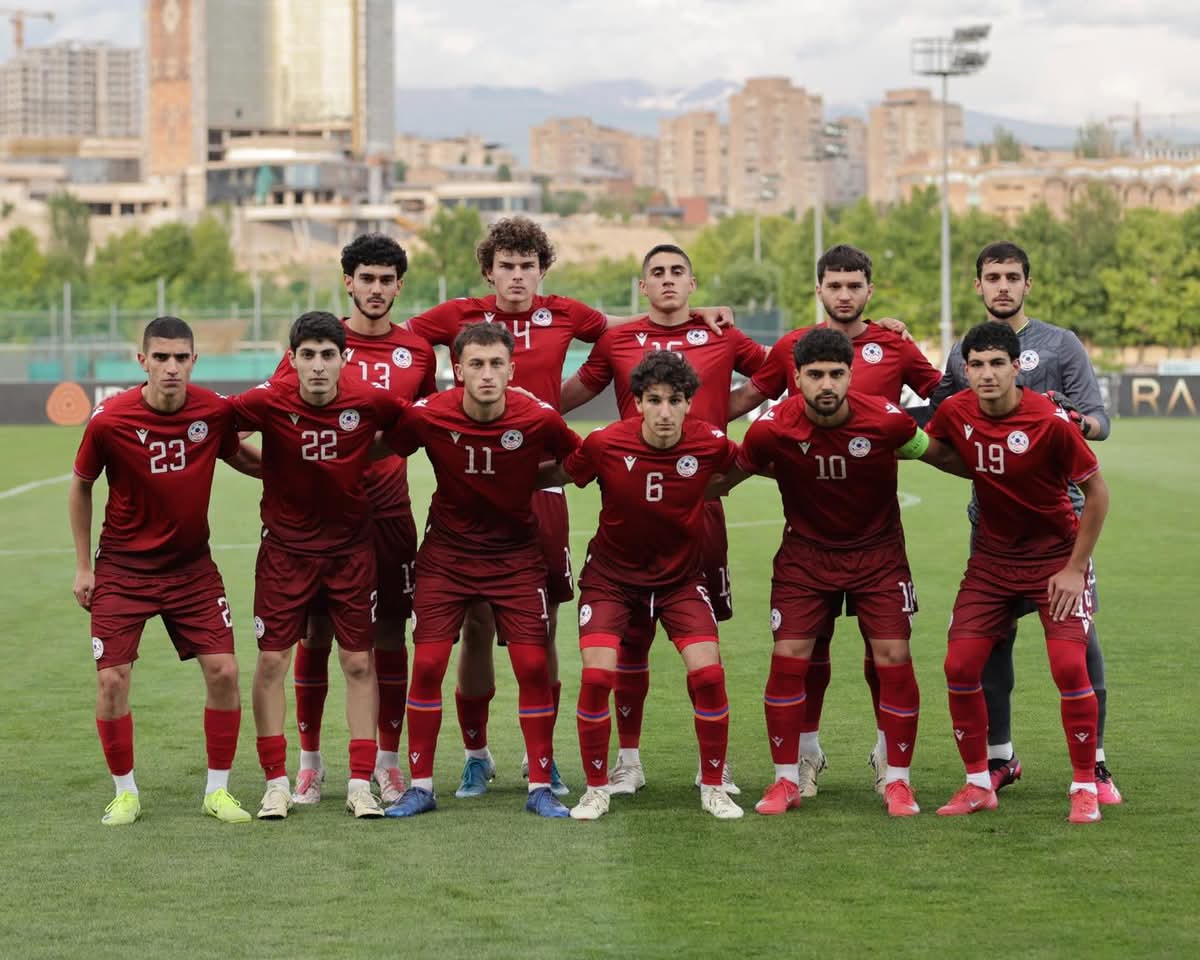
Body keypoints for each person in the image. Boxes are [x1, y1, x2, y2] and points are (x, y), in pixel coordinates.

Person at [404, 217, 731, 799]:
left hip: (541, 486)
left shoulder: (566, 315)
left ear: (542, 270)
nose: (517, 276)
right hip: (475, 485)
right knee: (475, 624)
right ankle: (476, 755)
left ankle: (543, 759)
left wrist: (692, 315)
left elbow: (630, 334)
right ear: (488, 271)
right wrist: (436, 396)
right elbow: (397, 340)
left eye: (527, 265)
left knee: (543, 624)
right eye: (506, 265)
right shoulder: (458, 316)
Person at [715, 327, 965, 817]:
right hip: (805, 558)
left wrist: (1005, 472)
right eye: (814, 375)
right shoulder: (771, 429)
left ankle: (898, 781)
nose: (826, 384)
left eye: (835, 374)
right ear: (796, 378)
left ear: (851, 375)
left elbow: (941, 455)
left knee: (893, 655)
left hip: (879, 556)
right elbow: (731, 474)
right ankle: (786, 779)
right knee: (789, 656)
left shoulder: (888, 421)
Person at [560, 243, 766, 795]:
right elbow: (571, 394)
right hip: (632, 495)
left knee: (704, 637)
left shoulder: (722, 334)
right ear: (642, 286)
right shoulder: (618, 340)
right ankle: (628, 761)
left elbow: (777, 371)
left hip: (699, 502)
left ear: (693, 283)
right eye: (658, 272)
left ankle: (712, 765)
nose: (668, 279)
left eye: (678, 271)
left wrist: (722, 411)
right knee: (629, 642)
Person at [930, 241, 1120, 804]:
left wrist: (1067, 421)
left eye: (1012, 277)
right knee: (990, 644)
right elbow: (944, 421)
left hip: (1062, 518)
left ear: (1027, 284)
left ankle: (1095, 765)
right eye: (993, 277)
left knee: (1079, 644)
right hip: (991, 521)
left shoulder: (1061, 343)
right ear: (978, 285)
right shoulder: (964, 350)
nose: (1003, 286)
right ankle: (999, 758)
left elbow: (1099, 420)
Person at [380, 322, 582, 819]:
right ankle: (421, 787)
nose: (487, 374)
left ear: (512, 370)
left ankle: (540, 785)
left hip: (515, 556)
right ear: (458, 370)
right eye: (476, 364)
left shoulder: (538, 417)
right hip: (446, 557)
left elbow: (579, 460)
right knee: (428, 664)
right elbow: (384, 446)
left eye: (496, 364)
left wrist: (527, 477)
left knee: (532, 665)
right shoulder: (429, 413)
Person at [69, 315, 261, 825]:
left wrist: (296, 473)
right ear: (143, 361)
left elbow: (239, 456)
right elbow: (81, 485)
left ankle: (217, 791)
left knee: (225, 671)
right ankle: (125, 793)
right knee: (113, 681)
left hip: (192, 570)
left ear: (194, 361)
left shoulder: (213, 411)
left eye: (180, 358)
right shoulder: (109, 420)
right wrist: (84, 567)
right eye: (161, 357)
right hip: (123, 571)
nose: (171, 367)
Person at [545, 351, 743, 821]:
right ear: (636, 403)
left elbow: (747, 465)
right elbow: (562, 473)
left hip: (680, 580)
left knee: (708, 675)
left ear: (689, 403)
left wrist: (711, 489)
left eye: (675, 400)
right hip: (611, 580)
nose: (665, 412)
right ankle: (597, 789)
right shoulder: (605, 443)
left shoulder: (710, 442)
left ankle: (713, 785)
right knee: (598, 677)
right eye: (654, 400)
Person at [278, 234, 437, 809]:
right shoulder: (317, 345)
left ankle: (388, 765)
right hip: (322, 523)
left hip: (388, 514)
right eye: (366, 278)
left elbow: (422, 428)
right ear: (348, 282)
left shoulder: (418, 352)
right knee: (315, 636)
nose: (375, 289)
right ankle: (310, 765)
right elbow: (280, 417)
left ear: (399, 286)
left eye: (386, 280)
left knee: (390, 635)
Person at [231, 311, 406, 821]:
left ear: (344, 359)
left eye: (328, 355)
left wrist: (358, 454)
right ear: (292, 359)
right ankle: (276, 784)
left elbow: (410, 430)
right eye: (307, 355)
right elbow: (218, 433)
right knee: (272, 662)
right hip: (285, 554)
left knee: (358, 663)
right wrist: (272, 468)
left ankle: (359, 784)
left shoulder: (369, 401)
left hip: (351, 552)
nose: (318, 366)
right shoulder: (267, 400)